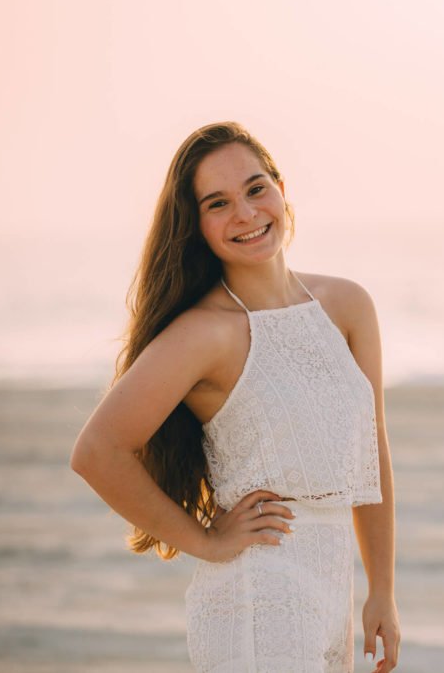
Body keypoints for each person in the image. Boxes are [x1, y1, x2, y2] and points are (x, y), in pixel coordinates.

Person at [70, 121, 400, 672]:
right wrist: (205, 540)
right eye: (218, 203)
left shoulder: (347, 305)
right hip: (257, 594)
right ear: (196, 226)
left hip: (332, 584)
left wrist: (382, 590)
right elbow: (97, 451)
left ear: (279, 187)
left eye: (254, 188)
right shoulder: (205, 333)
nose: (246, 214)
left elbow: (373, 447)